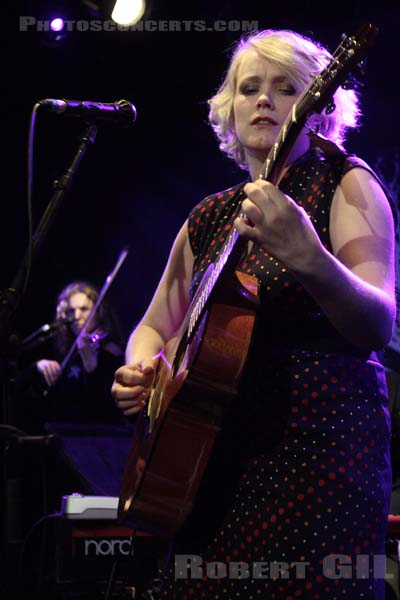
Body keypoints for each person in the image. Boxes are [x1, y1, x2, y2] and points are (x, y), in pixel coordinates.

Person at [111, 28, 396, 598]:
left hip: (320, 464)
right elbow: (154, 324)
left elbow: (377, 322)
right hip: (210, 469)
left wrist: (310, 257)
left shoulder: (346, 182)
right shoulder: (210, 216)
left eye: (286, 87)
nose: (264, 99)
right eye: (249, 88)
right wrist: (144, 371)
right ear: (229, 109)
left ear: (319, 108)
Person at [18, 280, 126, 429]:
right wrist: (38, 366)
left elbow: (105, 408)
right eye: (70, 311)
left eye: (84, 309)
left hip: (98, 438)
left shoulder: (110, 351)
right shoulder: (66, 351)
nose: (76, 316)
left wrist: (92, 368)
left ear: (98, 312)